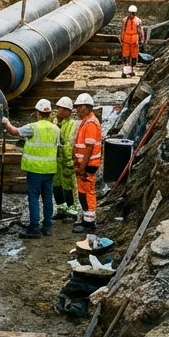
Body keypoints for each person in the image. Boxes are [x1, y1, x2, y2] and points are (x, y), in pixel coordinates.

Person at [0, 99, 59, 239]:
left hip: (35, 170)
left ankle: (34, 228)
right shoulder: (56, 129)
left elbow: (14, 132)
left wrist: (6, 123)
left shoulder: (33, 127)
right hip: (50, 170)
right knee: (47, 198)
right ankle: (47, 226)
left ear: (37, 113)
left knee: (33, 198)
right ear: (49, 113)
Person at [72, 92, 103, 234]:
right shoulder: (86, 121)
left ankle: (89, 223)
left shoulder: (90, 123)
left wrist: (82, 167)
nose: (77, 110)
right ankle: (86, 219)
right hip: (83, 164)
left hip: (88, 165)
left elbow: (89, 148)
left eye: (79, 107)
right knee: (82, 192)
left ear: (87, 107)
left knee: (87, 192)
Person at [53, 96, 79, 221]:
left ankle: (72, 212)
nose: (58, 111)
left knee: (68, 187)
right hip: (55, 162)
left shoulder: (72, 125)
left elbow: (69, 144)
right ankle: (61, 209)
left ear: (68, 111)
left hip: (66, 162)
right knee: (56, 186)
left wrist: (69, 160)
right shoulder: (54, 122)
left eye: (62, 109)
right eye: (58, 108)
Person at [121, 5, 145, 76]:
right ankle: (126, 71)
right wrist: (122, 39)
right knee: (126, 56)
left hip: (133, 41)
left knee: (133, 57)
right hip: (128, 40)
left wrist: (142, 40)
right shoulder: (126, 20)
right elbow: (123, 31)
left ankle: (130, 70)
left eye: (133, 13)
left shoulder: (137, 21)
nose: (132, 14)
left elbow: (140, 31)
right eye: (131, 12)